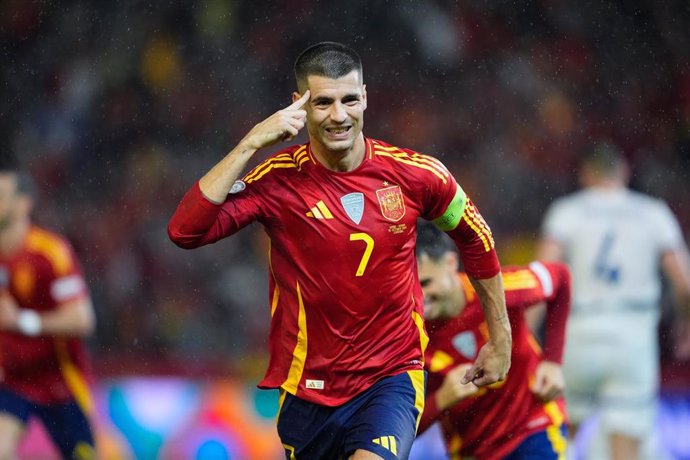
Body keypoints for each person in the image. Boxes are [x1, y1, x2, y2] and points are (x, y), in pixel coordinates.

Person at [168, 41, 511, 460]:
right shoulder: (277, 182)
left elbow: (478, 240)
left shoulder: (417, 175)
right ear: (299, 106)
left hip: (391, 376)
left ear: (365, 96)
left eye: (350, 99)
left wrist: (500, 338)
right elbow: (185, 231)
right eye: (323, 103)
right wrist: (250, 143)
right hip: (307, 390)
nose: (339, 115)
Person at [536, 142, 690, 460]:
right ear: (623, 172)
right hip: (632, 336)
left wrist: (521, 335)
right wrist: (687, 325)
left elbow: (542, 278)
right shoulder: (653, 212)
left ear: (586, 174)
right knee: (627, 443)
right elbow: (684, 283)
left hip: (578, 333)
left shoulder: (567, 211)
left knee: (557, 433)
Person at [415, 222, 571, 460]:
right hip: (473, 450)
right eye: (412, 287)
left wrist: (552, 361)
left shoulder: (495, 290)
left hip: (533, 425)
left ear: (450, 264)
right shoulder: (411, 334)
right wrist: (441, 400)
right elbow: (400, 429)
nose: (420, 296)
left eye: (425, 283)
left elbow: (560, 277)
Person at [0, 162, 97, 459]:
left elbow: (82, 320)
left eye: (1, 194)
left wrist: (22, 321)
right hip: (11, 381)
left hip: (59, 381)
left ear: (23, 203)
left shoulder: (49, 253)